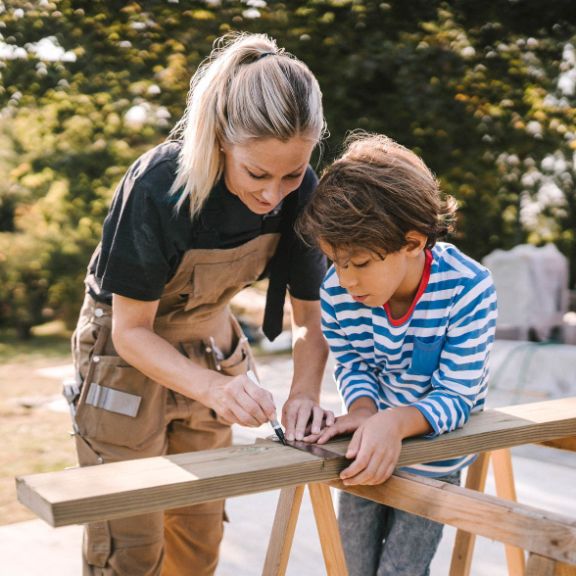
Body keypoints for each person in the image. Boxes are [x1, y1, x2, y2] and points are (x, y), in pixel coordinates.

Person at [65, 32, 333, 576]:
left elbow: (311, 319)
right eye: (257, 173)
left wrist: (304, 394)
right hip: (125, 355)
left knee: (199, 535)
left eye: (291, 173)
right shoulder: (160, 185)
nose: (273, 195)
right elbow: (131, 331)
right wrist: (216, 389)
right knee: (129, 542)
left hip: (213, 342)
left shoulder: (301, 190)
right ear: (219, 142)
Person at [296, 133, 497, 576]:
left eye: (360, 263)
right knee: (351, 566)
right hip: (369, 447)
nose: (346, 279)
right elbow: (354, 362)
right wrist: (365, 410)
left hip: (435, 456)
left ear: (413, 241)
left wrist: (393, 421)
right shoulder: (337, 291)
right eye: (335, 261)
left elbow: (458, 395)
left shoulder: (468, 288)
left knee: (401, 572)